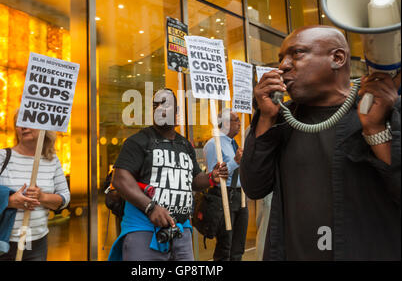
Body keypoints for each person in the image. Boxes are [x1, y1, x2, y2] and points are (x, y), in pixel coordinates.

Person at [240, 25, 401, 260]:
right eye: (281, 58)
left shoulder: (384, 108)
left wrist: (375, 129)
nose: (283, 65)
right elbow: (254, 186)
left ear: (337, 58)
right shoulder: (283, 119)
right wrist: (266, 118)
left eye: (296, 54)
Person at [108, 88, 229, 261]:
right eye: (156, 105)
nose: (160, 109)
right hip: (144, 231)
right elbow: (120, 179)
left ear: (177, 111)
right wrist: (151, 207)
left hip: (181, 231)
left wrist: (211, 177)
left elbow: (194, 180)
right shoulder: (138, 141)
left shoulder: (184, 144)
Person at [0, 112, 71, 261]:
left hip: (36, 243)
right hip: (1, 243)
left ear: (43, 127)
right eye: (19, 123)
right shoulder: (3, 156)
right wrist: (8, 201)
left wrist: (43, 197)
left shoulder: (52, 160)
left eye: (29, 121)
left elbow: (65, 198)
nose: (23, 127)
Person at [203, 108, 248, 261]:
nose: (240, 123)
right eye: (237, 120)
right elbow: (215, 176)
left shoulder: (233, 143)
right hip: (225, 196)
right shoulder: (213, 144)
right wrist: (235, 162)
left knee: (238, 245)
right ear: (227, 123)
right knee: (225, 247)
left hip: (240, 196)